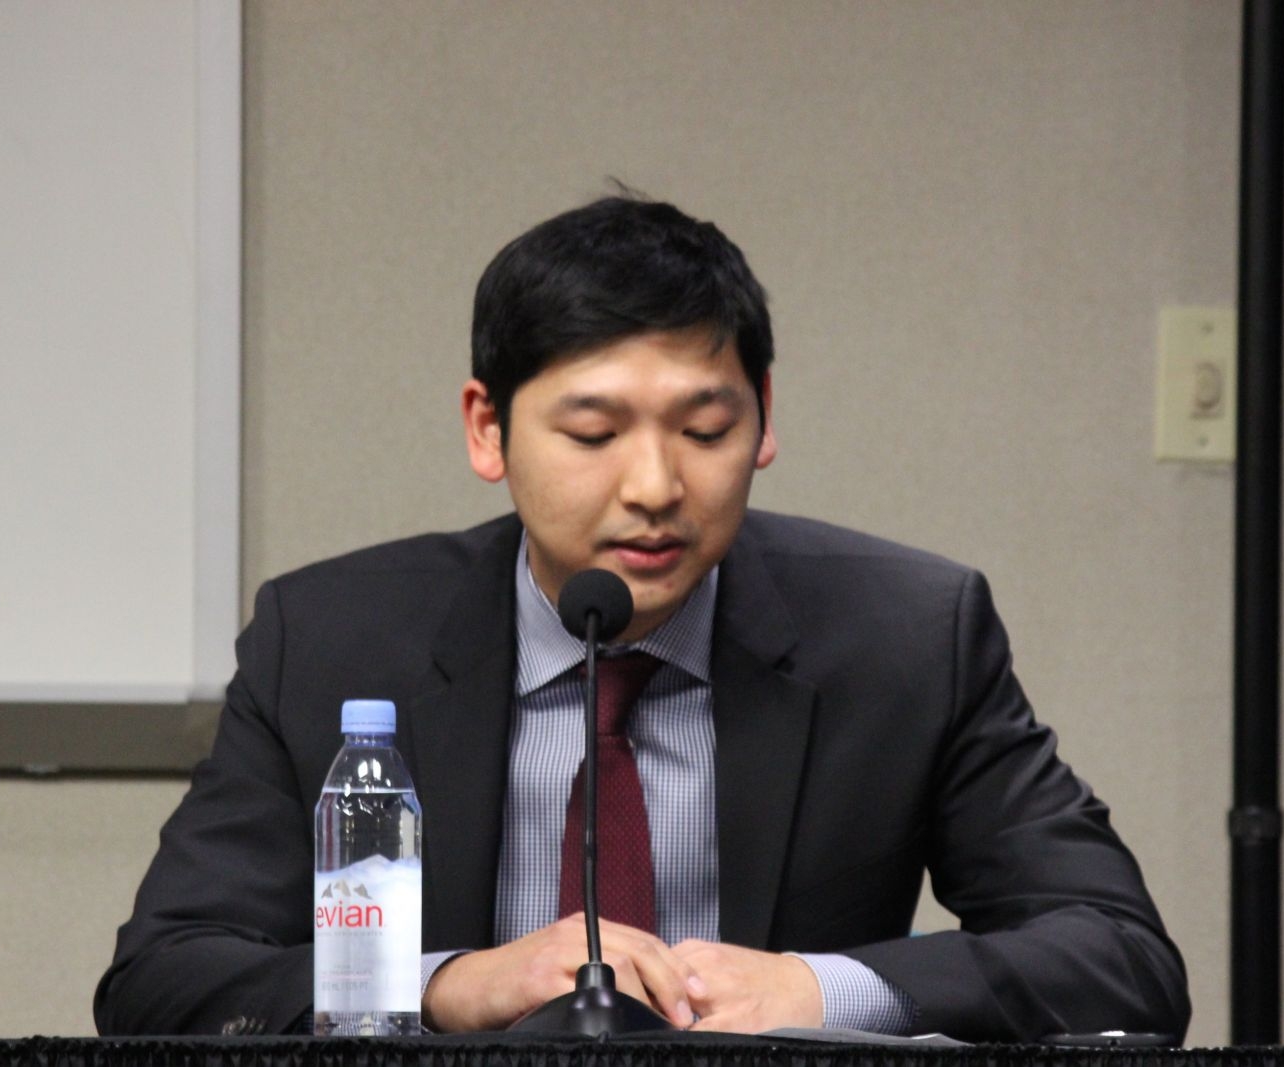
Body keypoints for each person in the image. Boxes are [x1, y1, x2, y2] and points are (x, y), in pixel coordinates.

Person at [95, 195, 1191, 1041]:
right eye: (593, 434)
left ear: (764, 419)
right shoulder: (330, 638)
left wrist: (815, 989)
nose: (657, 486)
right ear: (487, 429)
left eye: (705, 430)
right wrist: (447, 983)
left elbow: (1119, 957)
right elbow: (165, 977)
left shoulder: (907, 635)